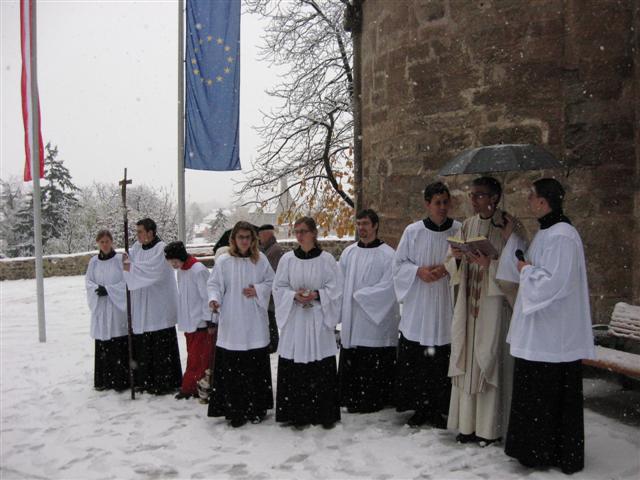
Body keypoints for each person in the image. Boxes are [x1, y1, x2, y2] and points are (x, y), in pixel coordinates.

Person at [504, 178, 595, 474]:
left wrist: (526, 270)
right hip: (539, 330)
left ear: (544, 202)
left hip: (554, 333)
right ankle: (535, 449)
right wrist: (522, 260)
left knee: (547, 393)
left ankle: (550, 450)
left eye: (531, 196)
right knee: (537, 392)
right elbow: (536, 270)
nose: (528, 200)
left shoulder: (563, 235)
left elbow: (555, 283)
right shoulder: (547, 232)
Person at [446, 176, 528, 446]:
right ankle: (467, 426)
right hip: (469, 304)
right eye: (472, 195)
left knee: (488, 359)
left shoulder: (511, 226)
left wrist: (490, 264)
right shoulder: (467, 225)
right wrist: (456, 259)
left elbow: (519, 271)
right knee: (467, 360)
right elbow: (451, 264)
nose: (473, 199)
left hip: (494, 304)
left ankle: (489, 429)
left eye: (479, 195)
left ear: (494, 198)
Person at [393, 182, 461, 428]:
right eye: (437, 203)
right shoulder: (413, 232)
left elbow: (466, 264)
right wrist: (417, 271)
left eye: (445, 202)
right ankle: (420, 407)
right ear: (427, 204)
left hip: (445, 302)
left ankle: (440, 407)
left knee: (442, 357)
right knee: (419, 359)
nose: (442, 207)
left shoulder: (459, 230)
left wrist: (448, 268)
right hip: (420, 303)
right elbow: (398, 265)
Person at [273, 217, 344, 429]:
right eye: (296, 231)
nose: (299, 235)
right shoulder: (287, 259)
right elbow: (278, 288)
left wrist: (317, 294)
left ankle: (323, 413)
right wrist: (293, 296)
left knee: (319, 362)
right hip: (296, 319)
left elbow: (336, 288)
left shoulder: (327, 260)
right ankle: (296, 413)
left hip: (317, 317)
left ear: (314, 233)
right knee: (295, 363)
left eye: (304, 231)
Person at [206, 221, 275, 427]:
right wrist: (214, 298)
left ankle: (256, 408)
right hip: (233, 320)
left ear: (253, 239)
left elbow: (272, 282)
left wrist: (259, 290)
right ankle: (234, 409)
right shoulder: (224, 261)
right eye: (240, 237)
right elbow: (214, 284)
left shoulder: (260, 260)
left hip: (254, 320)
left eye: (248, 237)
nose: (244, 241)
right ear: (234, 239)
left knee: (254, 366)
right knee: (233, 368)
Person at [338, 209, 400, 413]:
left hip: (375, 320)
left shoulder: (388, 254)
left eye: (365, 224)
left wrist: (361, 296)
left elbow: (390, 287)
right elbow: (340, 281)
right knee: (354, 354)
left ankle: (373, 399)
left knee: (372, 358)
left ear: (375, 225)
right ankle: (351, 397)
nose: (361, 228)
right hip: (352, 316)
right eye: (358, 224)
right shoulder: (349, 252)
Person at [122, 218, 182, 395]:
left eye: (140, 231)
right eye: (137, 231)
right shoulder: (136, 248)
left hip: (158, 304)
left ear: (150, 232)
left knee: (160, 345)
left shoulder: (161, 249)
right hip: (141, 304)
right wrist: (128, 264)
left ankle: (164, 382)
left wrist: (131, 267)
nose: (138, 235)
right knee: (144, 344)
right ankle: (145, 380)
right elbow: (129, 266)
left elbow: (153, 271)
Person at [164, 241, 216, 400]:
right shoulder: (181, 271)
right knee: (193, 356)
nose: (173, 264)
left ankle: (192, 387)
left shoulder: (198, 270)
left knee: (199, 359)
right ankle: (192, 385)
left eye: (174, 260)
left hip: (200, 323)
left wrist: (209, 321)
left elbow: (206, 296)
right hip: (189, 323)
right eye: (170, 261)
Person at [85, 229, 129, 392]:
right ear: (98, 243)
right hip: (101, 307)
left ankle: (120, 380)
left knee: (118, 342)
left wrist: (110, 290)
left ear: (112, 242)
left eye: (107, 241)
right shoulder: (94, 262)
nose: (104, 245)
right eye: (101, 242)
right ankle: (104, 379)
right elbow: (88, 281)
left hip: (116, 307)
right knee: (103, 342)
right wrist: (97, 289)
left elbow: (126, 281)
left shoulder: (120, 259)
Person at [258, 224, 284, 353]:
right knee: (269, 317)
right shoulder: (267, 248)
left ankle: (273, 343)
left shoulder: (275, 250)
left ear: (267, 234)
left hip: (271, 291)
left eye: (261, 235)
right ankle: (272, 342)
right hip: (267, 291)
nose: (259, 238)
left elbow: (274, 272)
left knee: (270, 317)